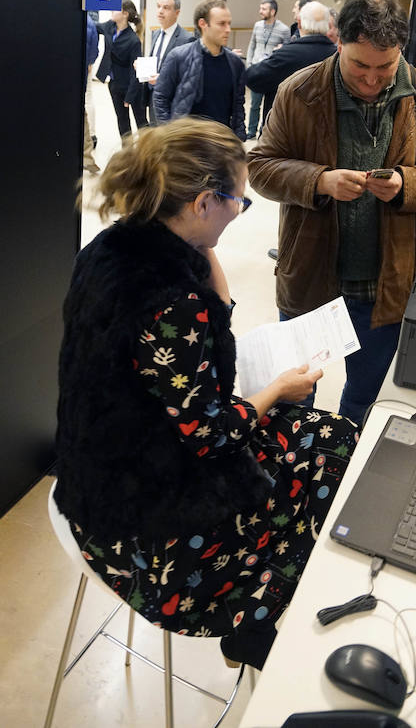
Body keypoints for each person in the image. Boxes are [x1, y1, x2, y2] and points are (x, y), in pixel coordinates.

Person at [54, 118, 359, 671]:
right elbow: (212, 434)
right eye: (238, 202)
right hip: (144, 529)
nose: (240, 213)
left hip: (95, 479)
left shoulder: (110, 248)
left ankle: (265, 614)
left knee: (329, 436)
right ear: (201, 203)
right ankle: (255, 619)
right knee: (333, 453)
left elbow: (204, 330)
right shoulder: (172, 302)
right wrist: (277, 390)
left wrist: (207, 253)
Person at [248, 0, 416, 425]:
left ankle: (345, 466)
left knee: (362, 401)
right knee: (294, 399)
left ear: (401, 52)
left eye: (385, 67)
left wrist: (409, 183)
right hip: (310, 275)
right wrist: (319, 180)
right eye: (359, 66)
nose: (371, 80)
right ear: (338, 42)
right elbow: (260, 167)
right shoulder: (300, 90)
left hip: (384, 282)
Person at [154, 0, 247, 138]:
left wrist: (239, 136)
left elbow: (238, 103)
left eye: (229, 23)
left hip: (220, 141)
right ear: (203, 24)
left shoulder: (235, 63)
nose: (228, 30)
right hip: (187, 142)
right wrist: (170, 134)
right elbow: (160, 97)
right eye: (221, 24)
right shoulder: (178, 57)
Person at [245, 0, 337, 120]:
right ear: (328, 25)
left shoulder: (287, 54)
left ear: (299, 24)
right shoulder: (338, 56)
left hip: (284, 130)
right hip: (325, 130)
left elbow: (253, 78)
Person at [95, 0, 147, 143]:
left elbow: (135, 72)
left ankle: (149, 153)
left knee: (141, 122)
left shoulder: (133, 40)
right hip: (115, 84)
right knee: (123, 122)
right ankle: (128, 154)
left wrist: (129, 97)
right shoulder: (110, 27)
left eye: (115, 8)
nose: (112, 10)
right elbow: (95, 27)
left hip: (132, 88)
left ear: (125, 14)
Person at [142, 0, 193, 124]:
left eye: (166, 8)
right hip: (154, 97)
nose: (160, 11)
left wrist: (164, 79)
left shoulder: (186, 39)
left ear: (177, 12)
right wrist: (143, 67)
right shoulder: (156, 34)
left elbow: (189, 77)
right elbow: (157, 63)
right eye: (158, 6)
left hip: (173, 102)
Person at [245, 0, 291, 138]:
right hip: (257, 69)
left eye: (264, 9)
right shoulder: (257, 26)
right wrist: (249, 64)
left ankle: (263, 132)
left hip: (273, 72)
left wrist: (281, 48)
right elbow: (252, 45)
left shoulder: (284, 29)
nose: (260, 11)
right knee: (254, 104)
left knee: (270, 106)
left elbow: (288, 51)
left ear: (273, 11)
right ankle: (252, 131)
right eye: (260, 8)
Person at [83, 16, 100, 173]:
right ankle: (91, 139)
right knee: (87, 100)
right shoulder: (89, 22)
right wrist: (90, 62)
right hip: (85, 67)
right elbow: (95, 47)